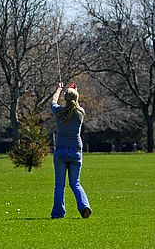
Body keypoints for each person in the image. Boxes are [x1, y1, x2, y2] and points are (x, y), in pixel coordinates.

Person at [50, 82, 92, 219]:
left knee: (59, 186)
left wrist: (59, 89)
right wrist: (74, 91)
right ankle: (84, 206)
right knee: (75, 183)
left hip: (61, 151)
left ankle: (58, 213)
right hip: (76, 151)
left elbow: (53, 101)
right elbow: (76, 104)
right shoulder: (80, 113)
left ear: (65, 99)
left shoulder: (58, 112)